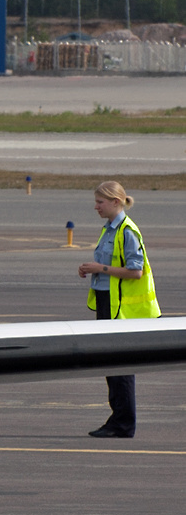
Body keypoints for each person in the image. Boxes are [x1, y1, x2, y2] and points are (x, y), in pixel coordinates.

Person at [77, 180, 160, 438]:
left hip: (122, 311)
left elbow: (135, 271)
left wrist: (99, 269)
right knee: (111, 365)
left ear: (115, 202)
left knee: (119, 365)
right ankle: (118, 419)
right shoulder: (110, 229)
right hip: (108, 305)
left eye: (100, 202)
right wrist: (91, 269)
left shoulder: (126, 231)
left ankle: (123, 423)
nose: (96, 207)